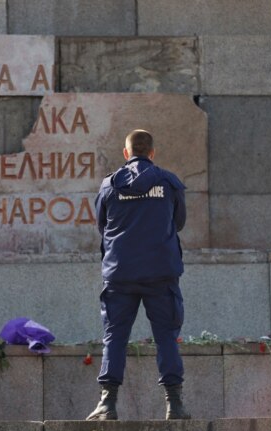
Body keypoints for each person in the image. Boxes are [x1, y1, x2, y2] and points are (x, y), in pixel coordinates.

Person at [87, 130, 191, 421]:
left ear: (126, 152)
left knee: (114, 338)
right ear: (152, 153)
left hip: (120, 274)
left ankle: (107, 404)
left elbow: (102, 225)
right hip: (160, 273)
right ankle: (175, 405)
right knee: (166, 337)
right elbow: (179, 222)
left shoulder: (109, 185)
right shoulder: (169, 183)